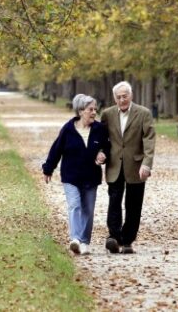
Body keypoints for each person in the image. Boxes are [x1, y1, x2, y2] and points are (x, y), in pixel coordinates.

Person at [42, 94, 109, 255]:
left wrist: (103, 154)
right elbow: (56, 149)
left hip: (91, 176)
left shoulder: (100, 129)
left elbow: (107, 147)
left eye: (95, 109)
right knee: (75, 205)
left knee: (88, 209)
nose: (94, 112)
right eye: (90, 109)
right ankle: (75, 239)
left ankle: (84, 242)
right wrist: (48, 168)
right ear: (80, 111)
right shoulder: (68, 129)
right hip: (71, 176)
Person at [100, 81, 156, 254]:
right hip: (115, 165)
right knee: (114, 201)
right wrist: (100, 152)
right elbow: (101, 138)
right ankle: (114, 237)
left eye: (125, 96)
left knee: (134, 204)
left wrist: (147, 164)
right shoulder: (107, 114)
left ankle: (127, 240)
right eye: (119, 97)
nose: (122, 100)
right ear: (114, 98)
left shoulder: (143, 113)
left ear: (131, 96)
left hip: (136, 165)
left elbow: (149, 139)